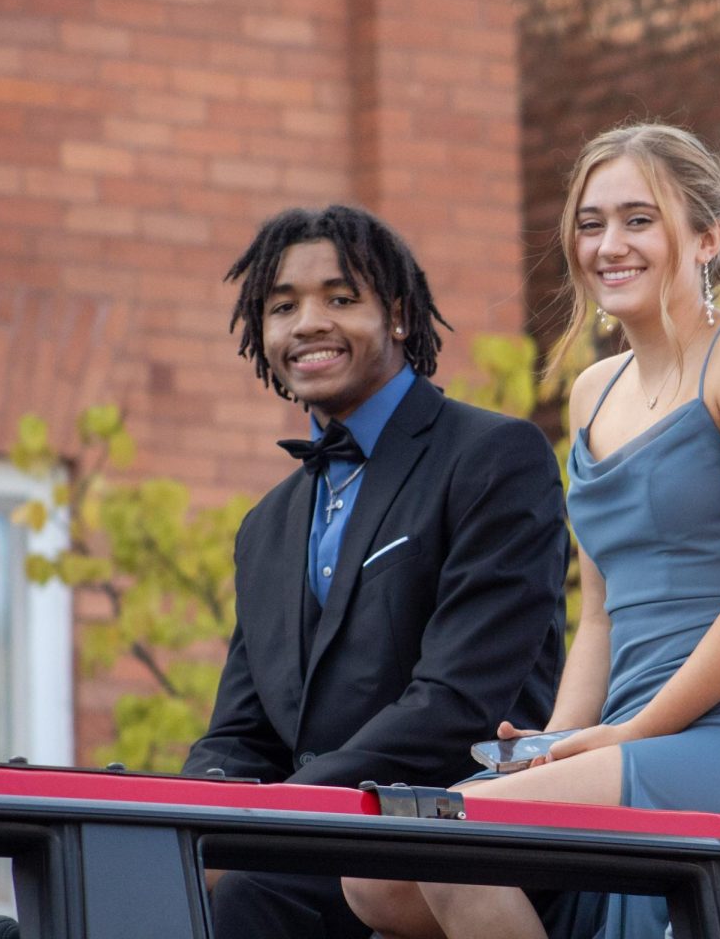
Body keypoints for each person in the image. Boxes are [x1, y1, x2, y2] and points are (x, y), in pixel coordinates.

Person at [342, 123, 720, 938]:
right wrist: (554, 742)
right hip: (626, 731)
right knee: (375, 881)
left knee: (444, 839)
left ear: (707, 238)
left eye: (638, 219)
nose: (608, 245)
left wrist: (623, 735)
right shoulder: (591, 392)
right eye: (590, 224)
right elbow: (601, 612)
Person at [182, 205, 569, 939]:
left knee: (241, 902)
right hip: (307, 842)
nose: (308, 324)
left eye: (339, 298)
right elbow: (242, 735)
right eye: (282, 307)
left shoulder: (494, 456)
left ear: (396, 316)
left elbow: (457, 703)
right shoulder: (264, 527)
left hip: (448, 842)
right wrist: (191, 812)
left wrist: (282, 811)